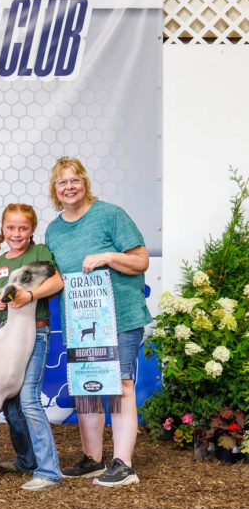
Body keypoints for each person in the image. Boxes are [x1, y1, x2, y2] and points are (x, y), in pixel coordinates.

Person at [45, 157, 151, 488]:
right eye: (62, 182)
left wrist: (107, 257)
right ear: (55, 190)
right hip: (81, 320)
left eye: (75, 180)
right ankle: (93, 459)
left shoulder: (110, 215)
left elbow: (141, 260)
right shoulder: (53, 231)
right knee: (87, 388)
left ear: (85, 183)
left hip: (120, 316)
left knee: (120, 386)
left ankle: (124, 465)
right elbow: (57, 278)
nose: (70, 187)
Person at [0, 203, 64, 491]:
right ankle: (27, 461)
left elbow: (57, 282)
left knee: (29, 399)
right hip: (5, 338)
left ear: (32, 230)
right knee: (11, 405)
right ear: (3, 229)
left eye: (23, 228)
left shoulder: (39, 254)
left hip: (35, 333)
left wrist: (31, 295)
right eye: (11, 228)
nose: (16, 233)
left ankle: (49, 471)